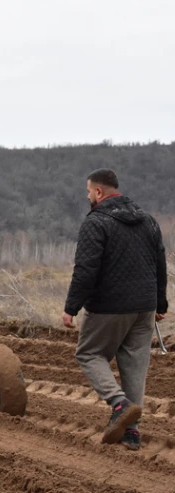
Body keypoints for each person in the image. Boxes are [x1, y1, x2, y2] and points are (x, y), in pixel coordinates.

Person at [62, 168, 168, 451]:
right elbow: (160, 265)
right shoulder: (148, 220)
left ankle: (119, 404)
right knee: (134, 368)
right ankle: (132, 433)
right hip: (144, 307)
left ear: (98, 192)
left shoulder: (95, 223)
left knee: (89, 353)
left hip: (109, 306)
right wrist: (161, 303)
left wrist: (71, 308)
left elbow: (85, 270)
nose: (87, 196)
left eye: (88, 191)